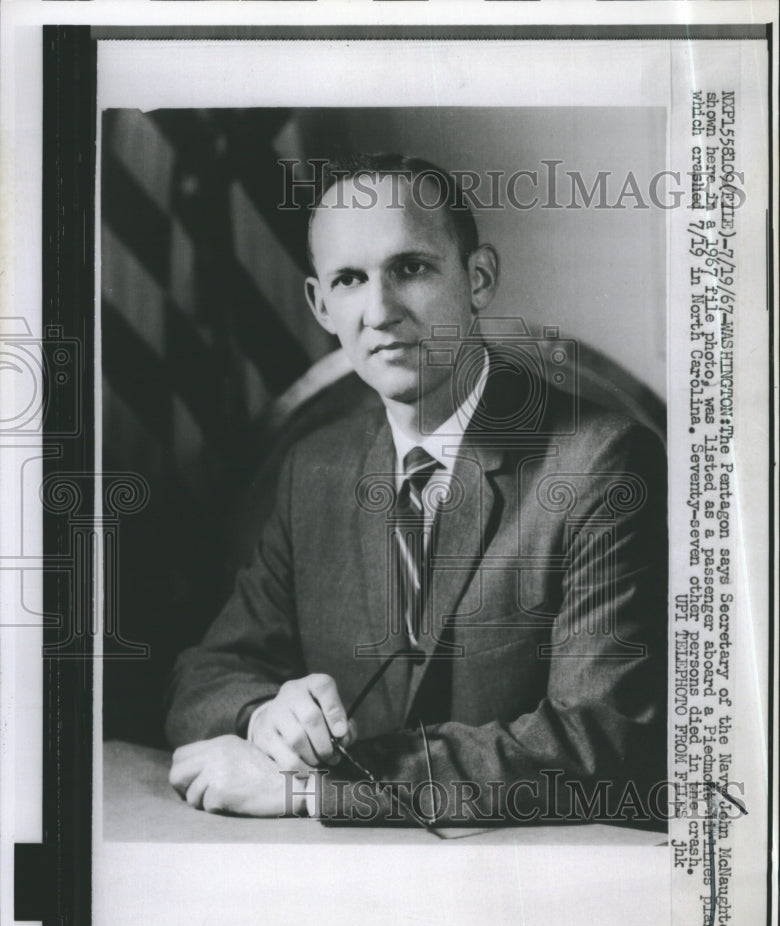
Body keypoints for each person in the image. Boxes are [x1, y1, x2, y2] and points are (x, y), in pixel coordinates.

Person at [166, 154, 667, 825]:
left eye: (410, 268)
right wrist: (266, 719)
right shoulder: (315, 469)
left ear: (478, 278)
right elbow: (205, 673)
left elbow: (597, 743)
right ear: (320, 305)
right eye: (349, 280)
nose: (379, 311)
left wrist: (313, 790)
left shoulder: (602, 462)